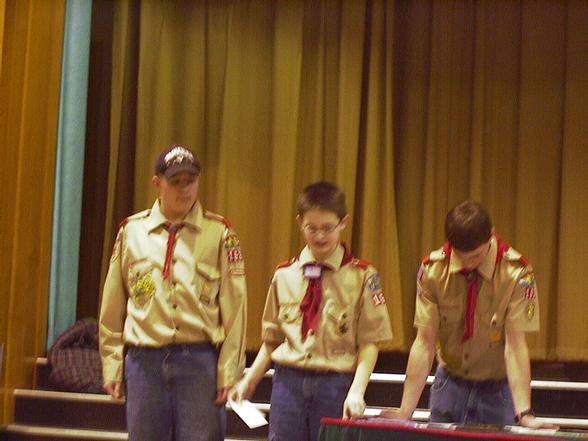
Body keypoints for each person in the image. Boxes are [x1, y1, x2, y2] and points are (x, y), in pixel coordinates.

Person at [99, 144, 247, 441]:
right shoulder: (132, 232)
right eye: (176, 182)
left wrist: (229, 370)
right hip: (145, 362)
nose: (185, 189)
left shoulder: (219, 233)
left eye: (190, 181)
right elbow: (112, 306)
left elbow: (235, 308)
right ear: (157, 183)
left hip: (199, 362)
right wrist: (112, 363)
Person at [230, 181, 393, 441]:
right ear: (299, 223)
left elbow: (370, 343)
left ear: (343, 222)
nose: (319, 236)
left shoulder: (362, 276)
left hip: (335, 384)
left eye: (328, 228)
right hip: (288, 385)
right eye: (312, 228)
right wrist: (249, 381)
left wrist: (357, 391)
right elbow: (272, 341)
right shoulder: (284, 275)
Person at [381, 200, 555, 429]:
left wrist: (524, 414)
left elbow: (515, 346)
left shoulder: (517, 273)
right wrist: (405, 411)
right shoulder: (433, 270)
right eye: (460, 256)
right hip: (449, 386)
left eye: (476, 256)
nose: (468, 264)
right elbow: (424, 343)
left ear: (491, 235)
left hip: (497, 391)